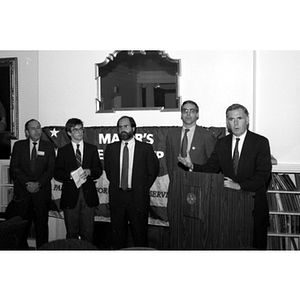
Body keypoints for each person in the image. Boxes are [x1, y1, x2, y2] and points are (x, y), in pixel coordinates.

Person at [178, 103, 272, 249]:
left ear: (247, 120)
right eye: (231, 119)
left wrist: (239, 185)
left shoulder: (260, 142)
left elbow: (263, 175)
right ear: (227, 121)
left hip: (254, 207)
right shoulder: (222, 143)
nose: (235, 123)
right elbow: (211, 168)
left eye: (239, 118)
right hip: (229, 208)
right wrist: (192, 166)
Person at [166, 100, 217, 244]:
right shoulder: (171, 135)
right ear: (181, 114)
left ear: (197, 114)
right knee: (177, 227)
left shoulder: (207, 135)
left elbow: (212, 165)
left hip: (200, 189)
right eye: (185, 111)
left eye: (192, 111)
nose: (188, 114)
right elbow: (169, 162)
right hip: (177, 187)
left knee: (198, 230)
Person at [104, 116, 159, 249]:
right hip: (117, 198)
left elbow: (153, 171)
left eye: (126, 126)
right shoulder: (111, 148)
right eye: (120, 127)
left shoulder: (145, 148)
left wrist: (141, 187)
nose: (123, 129)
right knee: (117, 237)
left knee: (140, 236)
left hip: (138, 198)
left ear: (133, 128)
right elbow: (110, 172)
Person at [54, 118, 102, 244]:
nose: (79, 132)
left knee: (88, 231)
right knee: (71, 232)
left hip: (88, 195)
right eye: (75, 130)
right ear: (69, 133)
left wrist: (90, 171)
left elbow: (99, 170)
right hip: (70, 196)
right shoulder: (63, 151)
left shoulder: (92, 149)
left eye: (81, 129)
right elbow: (57, 172)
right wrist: (70, 175)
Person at [9, 119, 55, 249]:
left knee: (42, 228)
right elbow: (14, 168)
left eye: (39, 128)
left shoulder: (49, 146)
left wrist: (38, 184)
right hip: (23, 195)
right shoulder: (18, 145)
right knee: (21, 229)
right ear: (26, 132)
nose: (37, 131)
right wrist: (27, 184)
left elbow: (50, 169)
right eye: (33, 128)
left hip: (41, 195)